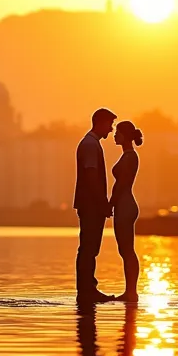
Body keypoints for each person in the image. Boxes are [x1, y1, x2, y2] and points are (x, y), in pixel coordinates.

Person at [74, 108, 118, 302]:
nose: (111, 130)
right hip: (91, 205)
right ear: (100, 123)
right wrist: (103, 203)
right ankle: (87, 291)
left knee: (88, 247)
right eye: (109, 125)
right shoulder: (91, 145)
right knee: (89, 248)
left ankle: (86, 289)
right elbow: (91, 176)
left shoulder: (90, 143)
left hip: (90, 204)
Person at [110, 121, 143, 302]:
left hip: (125, 205)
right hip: (122, 205)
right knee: (125, 250)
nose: (115, 135)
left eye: (117, 132)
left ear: (125, 135)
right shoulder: (127, 156)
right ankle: (129, 291)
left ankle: (132, 292)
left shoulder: (130, 157)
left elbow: (121, 184)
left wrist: (110, 203)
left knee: (127, 250)